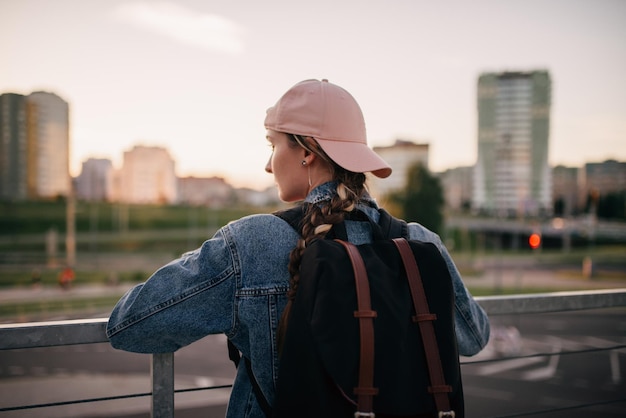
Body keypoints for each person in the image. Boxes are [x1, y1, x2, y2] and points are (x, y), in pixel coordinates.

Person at [107, 79, 490, 417]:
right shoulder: (420, 242)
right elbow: (474, 337)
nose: (268, 165)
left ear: (306, 151)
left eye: (273, 145)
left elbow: (130, 325)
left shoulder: (250, 244)